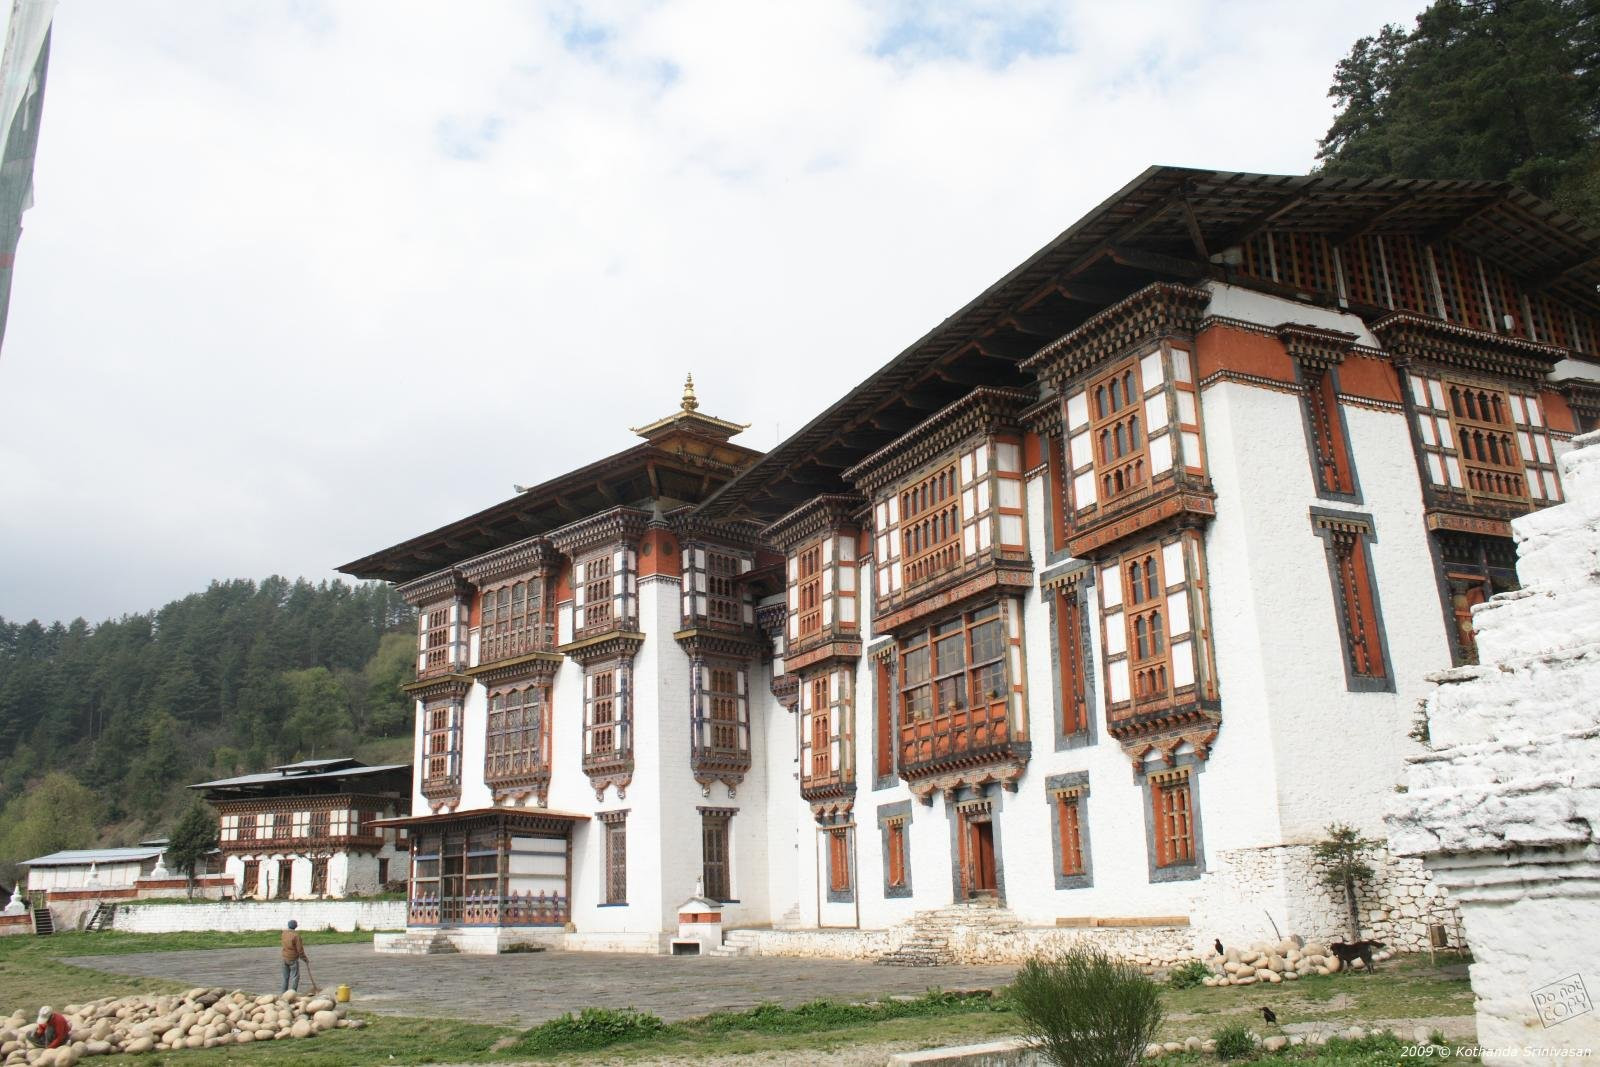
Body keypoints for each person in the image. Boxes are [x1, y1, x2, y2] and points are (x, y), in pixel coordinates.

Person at [280, 918, 308, 993]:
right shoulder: (296, 936)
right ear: (295, 926)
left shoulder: (283, 933)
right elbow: (300, 949)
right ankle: (292, 993)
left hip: (284, 957)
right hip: (292, 959)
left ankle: (283, 993)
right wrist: (304, 958)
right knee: (295, 977)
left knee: (285, 977)